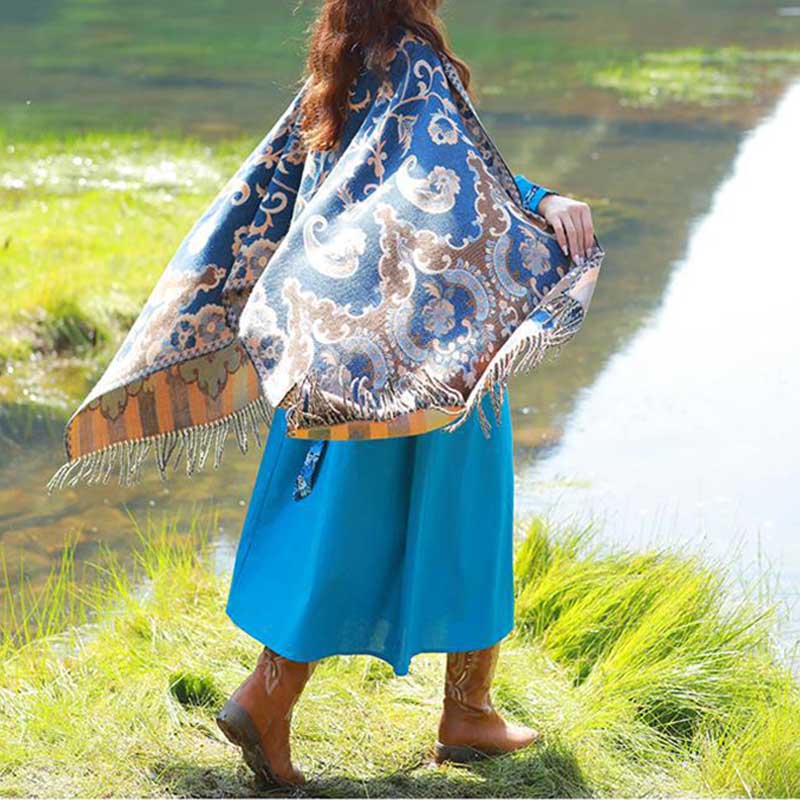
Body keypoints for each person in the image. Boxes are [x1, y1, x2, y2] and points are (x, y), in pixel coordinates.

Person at [215, 0, 596, 787]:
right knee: (467, 517)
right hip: (422, 350)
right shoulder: (416, 62)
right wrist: (545, 200)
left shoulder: (343, 63)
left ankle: (440, 711)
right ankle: (309, 701)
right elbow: (461, 186)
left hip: (339, 348)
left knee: (333, 523)